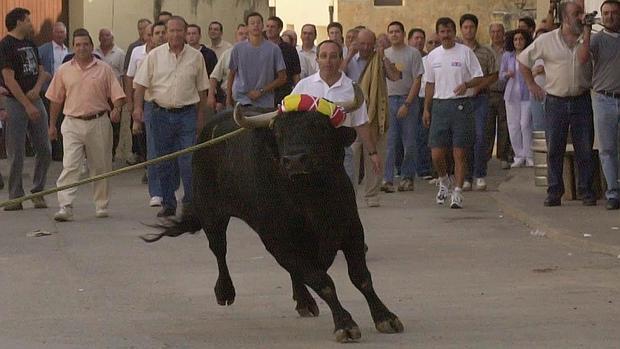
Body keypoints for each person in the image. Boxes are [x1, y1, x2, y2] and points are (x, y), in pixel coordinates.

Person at [518, 0, 596, 207]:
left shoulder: (586, 37)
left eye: (582, 12)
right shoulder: (546, 40)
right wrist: (531, 84)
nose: (581, 16)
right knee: (555, 148)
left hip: (581, 99)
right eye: (576, 13)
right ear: (564, 17)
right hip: (556, 101)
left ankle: (586, 191)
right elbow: (523, 60)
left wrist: (586, 32)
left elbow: (583, 58)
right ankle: (554, 191)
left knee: (585, 148)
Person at [133, 16, 210, 218]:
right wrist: (137, 110)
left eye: (179, 30)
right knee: (164, 161)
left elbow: (202, 90)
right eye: (172, 30)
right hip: (160, 114)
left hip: (187, 115)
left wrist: (201, 116)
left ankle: (191, 203)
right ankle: (168, 203)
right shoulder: (154, 56)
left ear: (185, 32)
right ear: (166, 33)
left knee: (188, 161)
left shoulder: (196, 57)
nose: (175, 34)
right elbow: (140, 85)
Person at [47, 28, 126, 221]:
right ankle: (65, 205)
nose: (82, 48)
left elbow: (117, 95)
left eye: (85, 44)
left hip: (98, 121)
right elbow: (56, 99)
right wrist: (51, 126)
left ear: (92, 46)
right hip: (72, 123)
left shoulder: (104, 69)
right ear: (73, 47)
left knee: (100, 165)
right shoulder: (64, 70)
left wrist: (116, 109)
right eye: (78, 45)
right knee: (70, 165)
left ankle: (101, 205)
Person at [292, 39, 381, 181]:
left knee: (345, 198)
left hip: (342, 152)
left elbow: (361, 123)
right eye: (324, 56)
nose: (328, 61)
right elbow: (290, 118)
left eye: (333, 56)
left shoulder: (352, 88)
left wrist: (373, 153)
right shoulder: (303, 86)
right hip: (310, 153)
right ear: (317, 59)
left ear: (341, 59)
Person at [423, 17, 484, 209]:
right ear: (438, 34)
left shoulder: (465, 53)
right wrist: (426, 108)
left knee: (459, 152)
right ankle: (444, 180)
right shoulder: (433, 56)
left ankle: (457, 192)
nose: (446, 35)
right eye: (442, 31)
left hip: (461, 105)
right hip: (440, 105)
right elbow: (430, 84)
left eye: (449, 31)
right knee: (437, 153)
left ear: (454, 32)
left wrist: (466, 84)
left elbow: (478, 76)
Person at [0, 7, 52, 211]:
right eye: (28, 20)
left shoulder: (31, 43)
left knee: (45, 149)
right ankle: (15, 196)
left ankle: (38, 191)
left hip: (35, 99)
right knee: (16, 152)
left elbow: (42, 71)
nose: (32, 24)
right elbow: (9, 80)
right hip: (15, 103)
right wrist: (26, 104)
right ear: (19, 22)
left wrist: (37, 89)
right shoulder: (5, 45)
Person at [344, 29, 399, 207]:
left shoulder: (379, 60)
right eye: (362, 44)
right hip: (353, 116)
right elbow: (337, 75)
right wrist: (350, 54)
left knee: (375, 156)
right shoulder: (349, 60)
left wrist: (383, 57)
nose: (366, 47)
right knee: (351, 157)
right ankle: (349, 194)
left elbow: (395, 76)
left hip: (375, 116)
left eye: (369, 44)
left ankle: (372, 194)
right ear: (356, 43)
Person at [578, 0, 620, 210]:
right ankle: (613, 193)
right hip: (604, 99)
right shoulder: (596, 39)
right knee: (607, 149)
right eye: (606, 13)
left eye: (614, 13)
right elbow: (583, 58)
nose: (610, 17)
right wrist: (586, 30)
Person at [126, 21, 170, 208]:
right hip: (151, 104)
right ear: (149, 36)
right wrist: (135, 108)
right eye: (156, 33)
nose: (160, 36)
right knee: (154, 150)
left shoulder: (175, 53)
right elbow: (133, 81)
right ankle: (157, 192)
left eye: (162, 32)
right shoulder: (140, 54)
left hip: (176, 106)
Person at [381, 21, 424, 193]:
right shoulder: (384, 54)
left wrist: (407, 103)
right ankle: (388, 179)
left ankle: (407, 178)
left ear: (403, 33)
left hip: (409, 100)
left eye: (397, 31)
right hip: (389, 100)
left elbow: (417, 80)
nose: (394, 35)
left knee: (409, 142)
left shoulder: (413, 53)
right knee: (389, 142)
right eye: (390, 32)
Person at [459, 14, 498, 192]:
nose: (468, 30)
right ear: (461, 29)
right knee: (464, 138)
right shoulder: (457, 51)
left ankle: (480, 174)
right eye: (465, 27)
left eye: (471, 27)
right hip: (460, 100)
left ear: (476, 28)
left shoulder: (486, 52)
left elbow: (493, 74)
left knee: (481, 136)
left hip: (481, 98)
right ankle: (466, 177)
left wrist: (478, 87)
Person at [227, 12, 286, 109]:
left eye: (258, 23)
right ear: (247, 27)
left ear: (263, 25)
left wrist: (262, 91)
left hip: (265, 102)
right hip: (242, 100)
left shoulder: (274, 49)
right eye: (252, 23)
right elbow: (231, 74)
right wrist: (228, 99)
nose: (256, 25)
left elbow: (282, 78)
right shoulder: (238, 48)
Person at [500, 30, 534, 168]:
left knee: (525, 124)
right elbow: (500, 76)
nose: (518, 42)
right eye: (515, 39)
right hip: (511, 95)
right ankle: (518, 155)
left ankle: (529, 155)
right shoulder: (508, 56)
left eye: (521, 39)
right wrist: (507, 74)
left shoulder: (530, 55)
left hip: (527, 94)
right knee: (513, 126)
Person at [38, 21, 70, 162]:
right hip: (47, 91)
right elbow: (37, 67)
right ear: (52, 33)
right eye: (57, 32)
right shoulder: (43, 49)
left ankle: (59, 152)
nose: (60, 35)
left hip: (65, 93)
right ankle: (48, 151)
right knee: (48, 122)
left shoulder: (68, 51)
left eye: (62, 32)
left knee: (61, 122)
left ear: (66, 34)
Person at [95, 28, 127, 162]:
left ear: (112, 37)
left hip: (114, 95)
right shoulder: (93, 53)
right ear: (99, 38)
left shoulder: (120, 54)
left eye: (108, 35)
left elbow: (124, 75)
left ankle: (111, 155)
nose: (105, 38)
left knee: (114, 126)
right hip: (98, 95)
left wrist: (124, 96)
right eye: (102, 36)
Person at [407, 28, 434, 180]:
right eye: (415, 38)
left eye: (421, 38)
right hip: (411, 99)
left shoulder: (430, 59)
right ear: (409, 40)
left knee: (425, 134)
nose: (419, 41)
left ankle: (425, 168)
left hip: (427, 99)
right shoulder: (407, 57)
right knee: (412, 136)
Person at [485, 22, 512, 170]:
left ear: (503, 33)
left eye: (499, 32)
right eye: (493, 32)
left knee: (504, 125)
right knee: (487, 126)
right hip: (488, 92)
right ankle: (486, 156)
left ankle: (503, 155)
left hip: (504, 91)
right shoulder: (485, 50)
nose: (496, 35)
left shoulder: (508, 51)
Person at [209, 24, 247, 112]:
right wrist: (211, 96)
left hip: (248, 99)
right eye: (241, 34)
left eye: (247, 34)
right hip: (228, 98)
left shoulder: (256, 54)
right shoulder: (227, 54)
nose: (244, 36)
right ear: (236, 36)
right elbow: (214, 77)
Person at [265, 16, 301, 104]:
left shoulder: (289, 49)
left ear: (279, 29)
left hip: (283, 94)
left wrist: (296, 94)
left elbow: (296, 74)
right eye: (267, 26)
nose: (269, 29)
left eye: (272, 27)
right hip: (264, 94)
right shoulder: (260, 48)